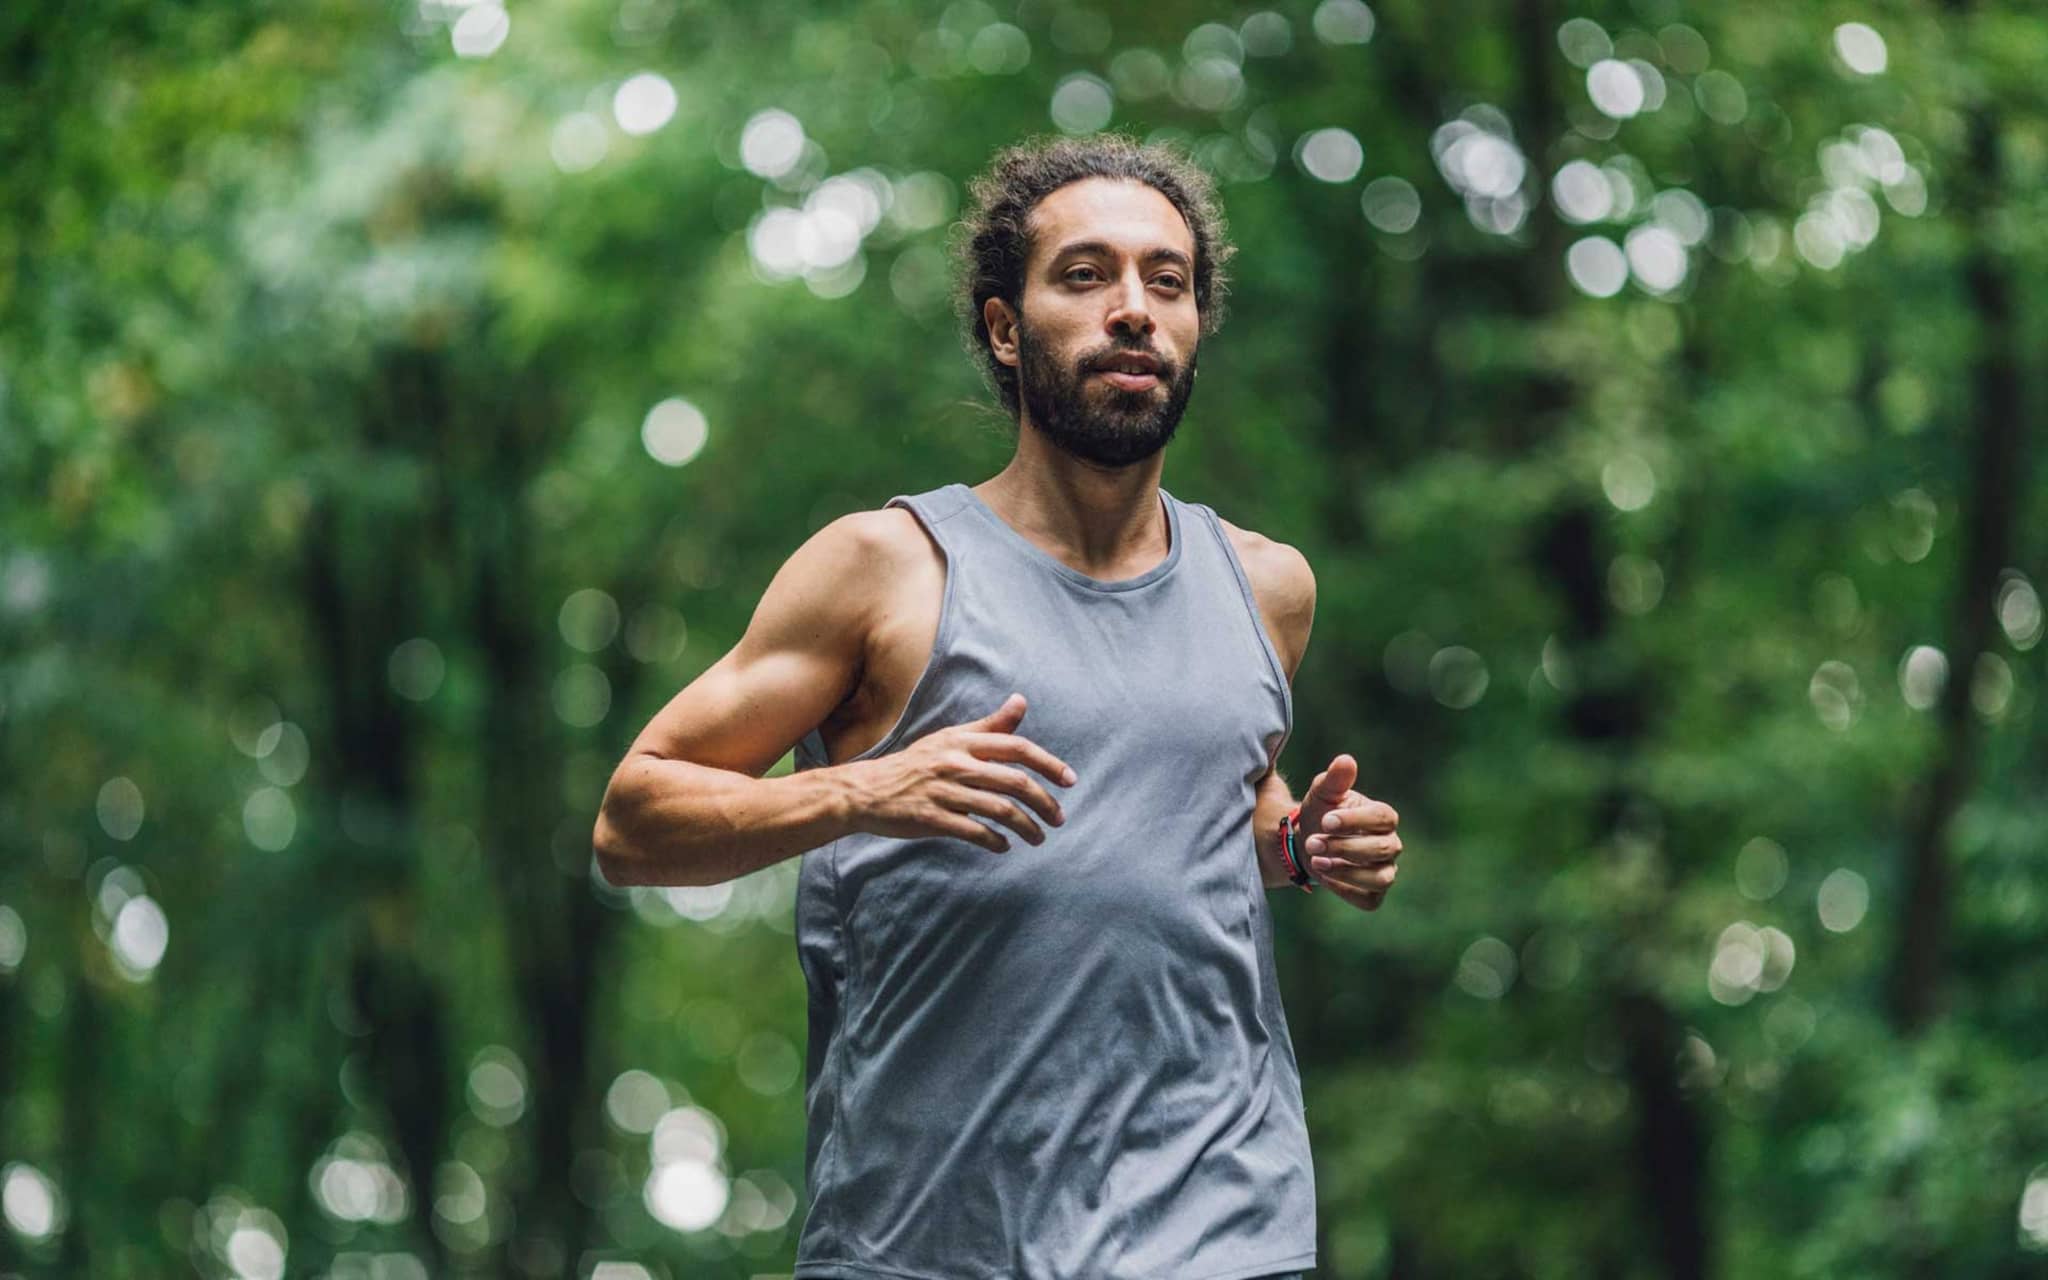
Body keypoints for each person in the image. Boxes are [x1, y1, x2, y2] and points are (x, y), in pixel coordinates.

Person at [594, 132, 1405, 1279]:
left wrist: (1297, 840)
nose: (1131, 308)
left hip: (1220, 1214)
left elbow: (1211, 779)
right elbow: (630, 823)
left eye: (1164, 282)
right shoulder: (885, 568)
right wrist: (862, 787)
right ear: (1004, 328)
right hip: (931, 1235)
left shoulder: (1266, 586)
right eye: (1084, 275)